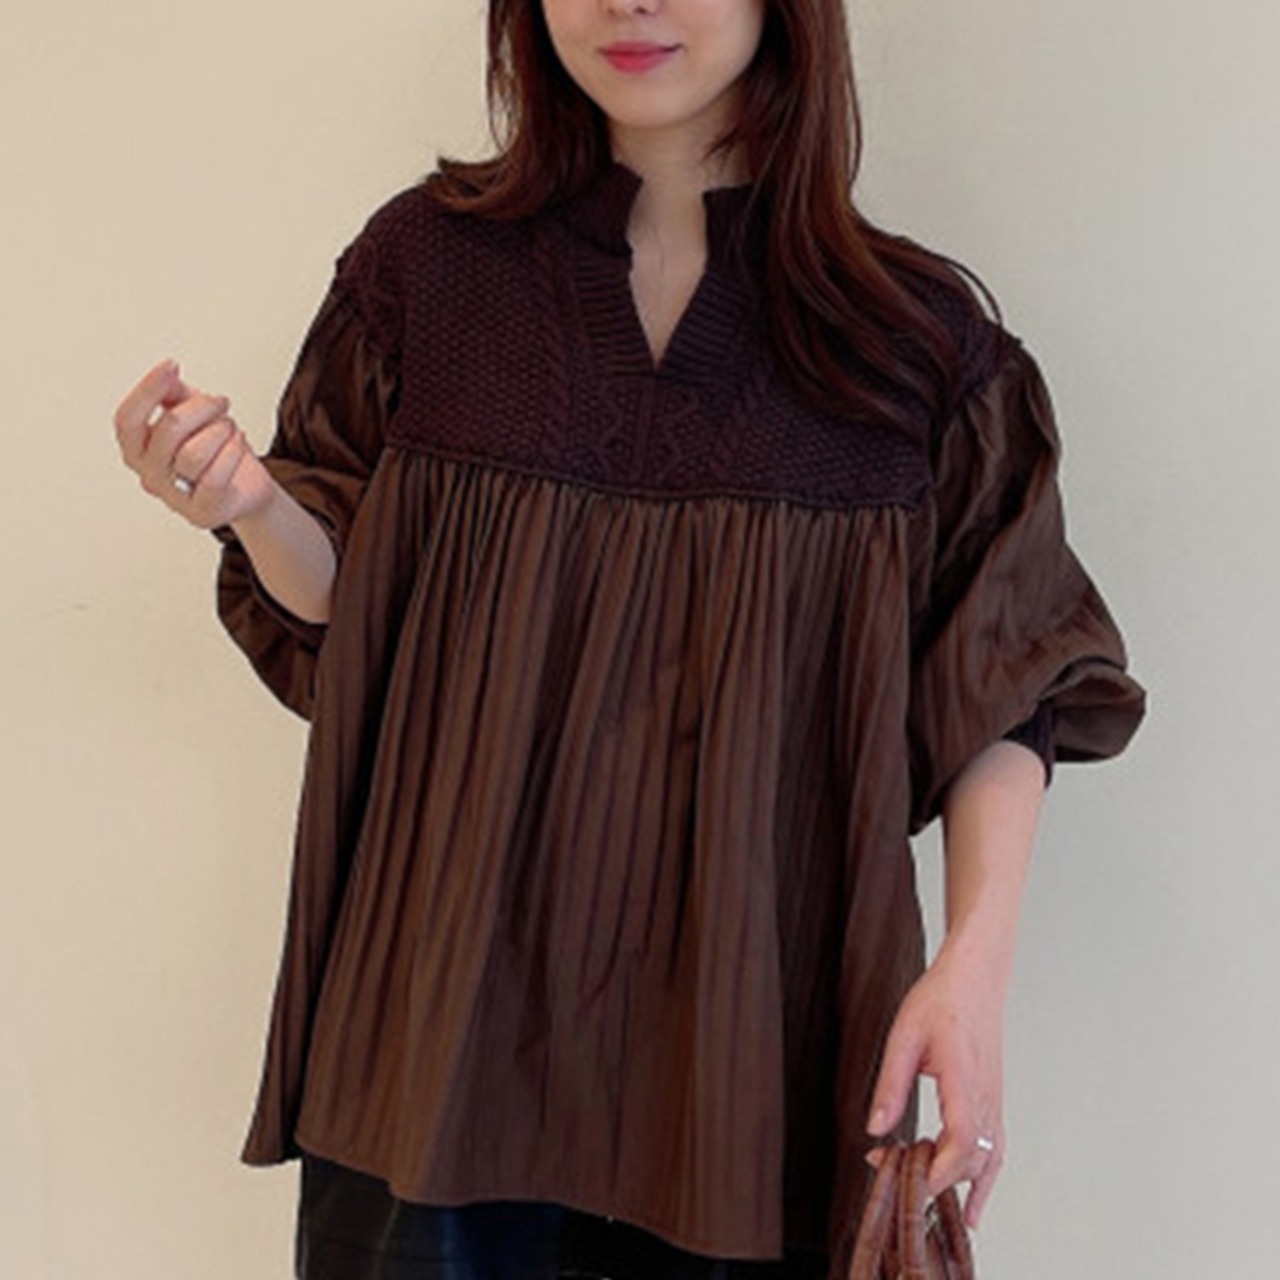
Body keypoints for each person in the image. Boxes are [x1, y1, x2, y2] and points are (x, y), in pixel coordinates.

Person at [112, 1, 1146, 1278]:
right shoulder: (426, 273)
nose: (627, 1)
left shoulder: (910, 344)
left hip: (749, 1076)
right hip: (436, 1053)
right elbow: (354, 614)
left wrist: (971, 972)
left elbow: (1005, 674)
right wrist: (252, 505)